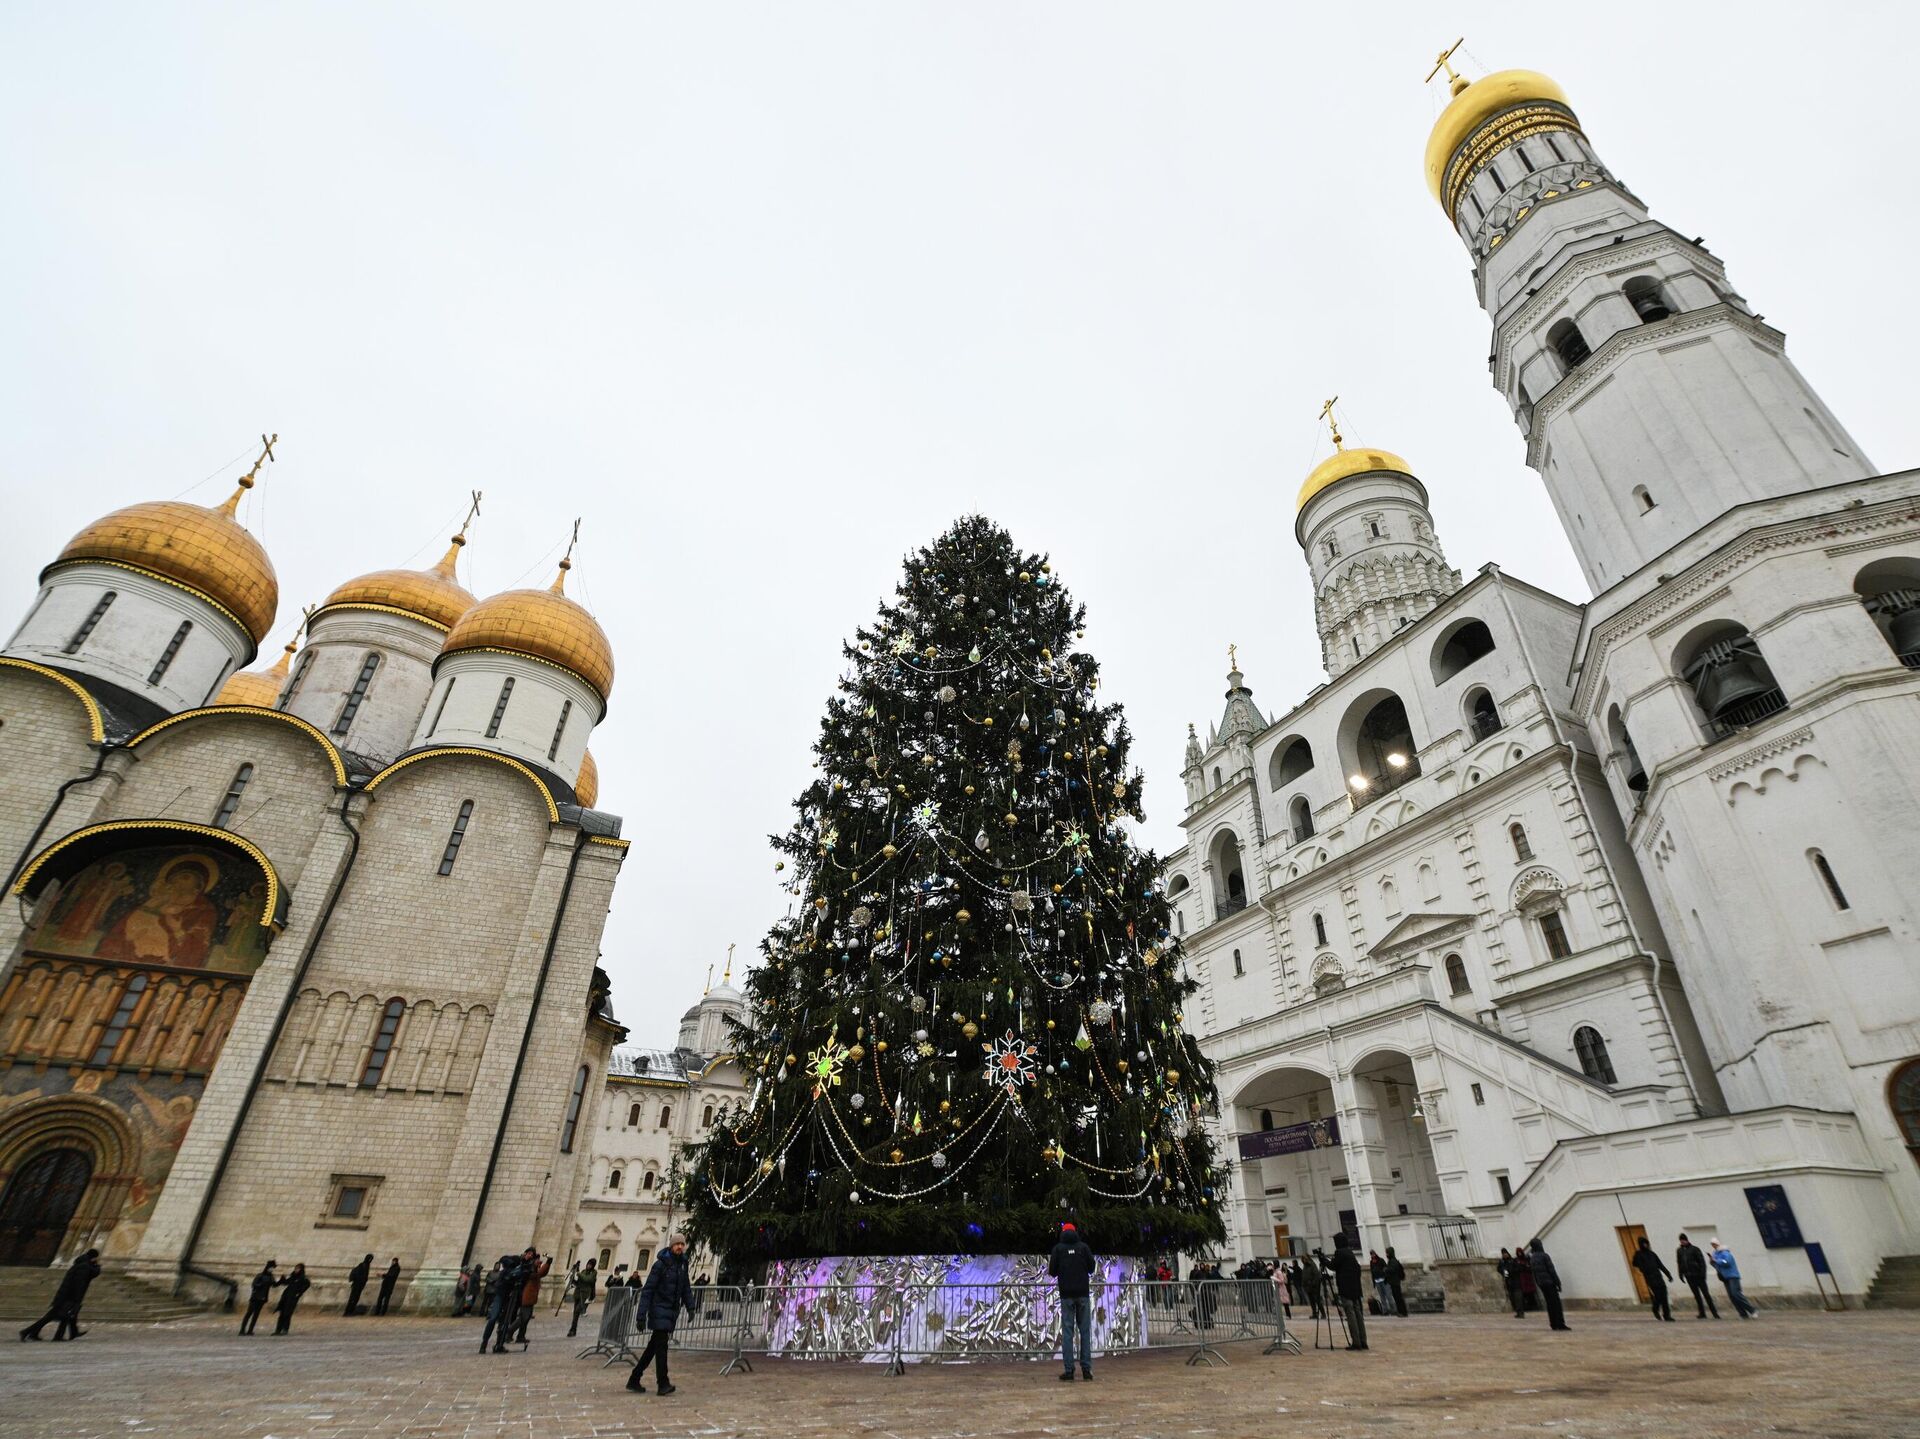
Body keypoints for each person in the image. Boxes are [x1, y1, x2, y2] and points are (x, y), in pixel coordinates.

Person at [626, 1234, 695, 1396]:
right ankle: (663, 1383)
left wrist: (691, 1307)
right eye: (677, 1244)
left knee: (653, 1348)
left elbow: (685, 1287)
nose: (680, 1247)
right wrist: (641, 1316)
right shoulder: (660, 1265)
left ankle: (634, 1378)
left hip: (671, 1311)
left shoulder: (682, 1265)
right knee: (662, 1348)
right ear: (671, 1246)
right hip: (659, 1309)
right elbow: (648, 1290)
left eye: (682, 1244)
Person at [1048, 1221, 1096, 1382]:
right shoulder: (1083, 1247)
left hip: (1066, 1295)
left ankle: (1069, 1370)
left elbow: (1052, 1271)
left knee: (1068, 1333)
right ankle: (1086, 1369)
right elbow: (1091, 1268)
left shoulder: (1058, 1249)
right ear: (1075, 1232)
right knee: (1085, 1332)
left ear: (1062, 1232)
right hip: (1082, 1294)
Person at [19, 1248, 101, 1341]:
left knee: (64, 1316)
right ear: (94, 1257)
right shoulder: (84, 1267)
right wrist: (76, 1300)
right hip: (69, 1297)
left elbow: (90, 1274)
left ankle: (58, 1335)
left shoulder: (80, 1264)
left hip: (65, 1296)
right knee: (51, 1317)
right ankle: (26, 1332)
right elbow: (79, 1284)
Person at [480, 1252, 527, 1353]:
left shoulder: (512, 1271)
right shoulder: (507, 1271)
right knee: (494, 1319)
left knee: (503, 1321)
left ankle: (498, 1344)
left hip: (506, 1297)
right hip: (501, 1296)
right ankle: (485, 1344)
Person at [1329, 1235, 1367, 1351]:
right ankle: (1363, 1340)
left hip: (1346, 1288)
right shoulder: (1350, 1253)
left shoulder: (1340, 1253)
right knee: (1358, 1313)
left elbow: (1333, 1266)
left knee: (1350, 1314)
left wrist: (1325, 1261)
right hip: (1355, 1288)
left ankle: (1356, 1342)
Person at [512, 1249, 551, 1344]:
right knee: (523, 1317)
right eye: (537, 1259)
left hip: (530, 1296)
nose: (539, 1261)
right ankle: (509, 1332)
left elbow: (542, 1273)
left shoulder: (533, 1268)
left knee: (526, 1317)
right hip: (526, 1295)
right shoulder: (530, 1269)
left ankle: (520, 1336)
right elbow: (540, 1273)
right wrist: (547, 1263)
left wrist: (547, 1264)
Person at [1529, 1238, 1569, 1331]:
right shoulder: (1544, 1256)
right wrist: (1557, 1282)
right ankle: (1560, 1323)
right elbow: (1551, 1270)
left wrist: (1538, 1283)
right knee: (1556, 1303)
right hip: (1550, 1282)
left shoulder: (1532, 1258)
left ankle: (1553, 1323)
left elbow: (1534, 1273)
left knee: (1549, 1304)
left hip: (1542, 1283)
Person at [1631, 1236, 1674, 1321]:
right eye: (1643, 1244)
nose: (1645, 1245)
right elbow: (1635, 1264)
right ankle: (1655, 1309)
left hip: (1658, 1277)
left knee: (1664, 1296)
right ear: (1640, 1244)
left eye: (1646, 1243)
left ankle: (1667, 1315)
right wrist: (1640, 1264)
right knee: (1658, 1296)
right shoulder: (1639, 1254)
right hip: (1650, 1279)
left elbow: (1660, 1265)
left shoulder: (1652, 1254)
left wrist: (1668, 1274)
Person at [1709, 1240, 1756, 1318]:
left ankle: (1752, 1310)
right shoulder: (1715, 1255)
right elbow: (1718, 1266)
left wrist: (1716, 1261)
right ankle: (1743, 1313)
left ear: (1717, 1244)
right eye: (1712, 1245)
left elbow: (1726, 1262)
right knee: (1732, 1296)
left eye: (1714, 1244)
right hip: (1725, 1277)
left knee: (1736, 1294)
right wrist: (1712, 1262)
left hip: (1732, 1276)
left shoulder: (1725, 1253)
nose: (1713, 1246)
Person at [1676, 1234, 1718, 1319]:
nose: (1682, 1242)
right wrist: (1680, 1274)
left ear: (1686, 1240)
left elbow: (1702, 1262)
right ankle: (1702, 1313)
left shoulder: (1695, 1249)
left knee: (1706, 1294)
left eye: (1683, 1240)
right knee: (1697, 1295)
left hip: (1698, 1275)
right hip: (1689, 1276)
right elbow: (1679, 1263)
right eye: (1681, 1241)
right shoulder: (1679, 1251)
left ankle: (1714, 1313)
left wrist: (1703, 1274)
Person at [240, 1260, 283, 1336]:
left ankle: (250, 1330)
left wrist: (281, 1281)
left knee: (256, 1315)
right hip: (255, 1298)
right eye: (271, 1268)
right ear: (267, 1267)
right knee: (249, 1313)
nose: (272, 1269)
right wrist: (262, 1284)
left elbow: (274, 1285)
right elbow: (254, 1285)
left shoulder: (271, 1277)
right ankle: (242, 1330)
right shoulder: (260, 1275)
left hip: (262, 1298)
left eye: (273, 1268)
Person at [272, 1263, 311, 1335]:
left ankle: (285, 1329)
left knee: (287, 1314)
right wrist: (282, 1279)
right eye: (296, 1268)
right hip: (285, 1297)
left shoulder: (302, 1278)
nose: (296, 1270)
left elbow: (307, 1284)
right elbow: (285, 1283)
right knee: (281, 1314)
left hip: (292, 1299)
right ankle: (278, 1330)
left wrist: (299, 1293)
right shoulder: (292, 1277)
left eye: (298, 1269)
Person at [567, 1259, 598, 1337]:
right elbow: (579, 1282)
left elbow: (587, 1279)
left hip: (584, 1295)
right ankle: (573, 1330)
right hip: (578, 1293)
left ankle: (572, 1330)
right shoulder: (583, 1271)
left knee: (577, 1311)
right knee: (575, 1313)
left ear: (593, 1266)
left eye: (590, 1265)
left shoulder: (594, 1273)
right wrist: (572, 1278)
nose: (588, 1266)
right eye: (588, 1264)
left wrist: (578, 1273)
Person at [1383, 1247, 1407, 1318]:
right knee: (1397, 1297)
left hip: (1395, 1281)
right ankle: (1401, 1311)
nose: (1386, 1255)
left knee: (1398, 1297)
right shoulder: (1392, 1261)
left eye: (1387, 1253)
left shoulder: (1393, 1261)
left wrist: (1386, 1269)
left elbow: (1392, 1270)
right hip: (1394, 1281)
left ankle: (1402, 1312)